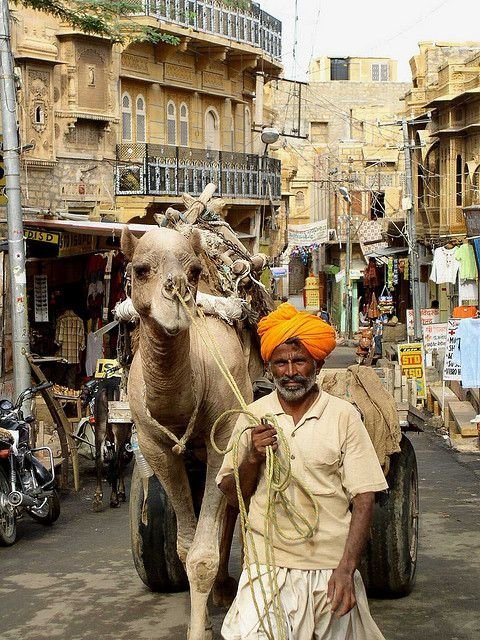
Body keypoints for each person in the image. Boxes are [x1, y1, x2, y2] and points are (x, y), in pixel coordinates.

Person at [217, 302, 388, 640]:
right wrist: (252, 457)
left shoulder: (343, 416)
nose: (291, 371)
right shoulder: (252, 416)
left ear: (318, 365)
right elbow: (233, 495)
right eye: (281, 363)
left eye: (300, 361)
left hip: (329, 567)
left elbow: (364, 497)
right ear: (269, 368)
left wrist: (346, 568)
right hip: (266, 564)